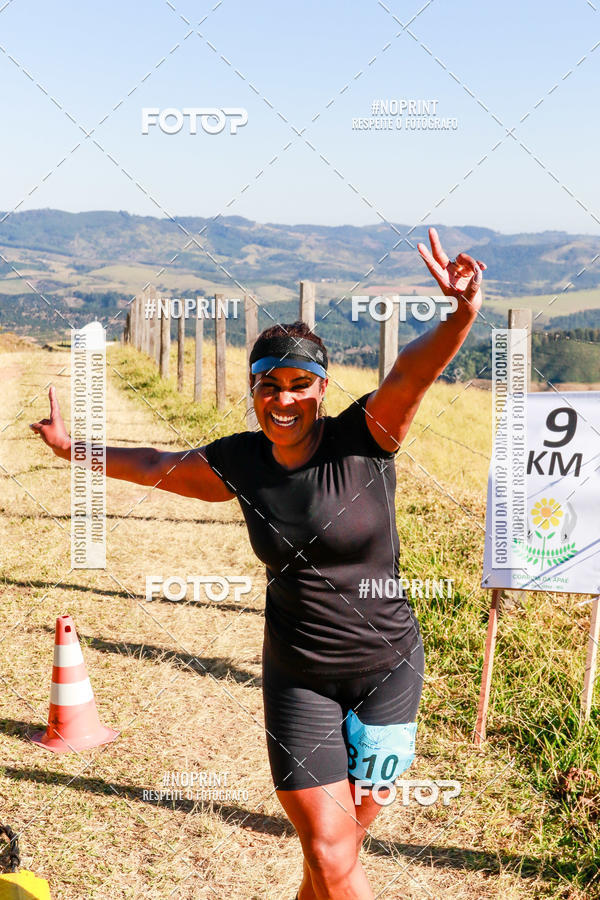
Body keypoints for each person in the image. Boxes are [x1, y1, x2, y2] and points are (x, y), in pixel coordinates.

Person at [31, 228, 486, 900]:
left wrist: (463, 314)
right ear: (253, 390)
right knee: (333, 853)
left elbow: (411, 373)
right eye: (268, 385)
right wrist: (75, 452)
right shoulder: (240, 464)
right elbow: (157, 466)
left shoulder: (368, 436)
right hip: (298, 677)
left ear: (323, 389)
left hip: (388, 672)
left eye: (301, 384)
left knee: (334, 854)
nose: (283, 399)